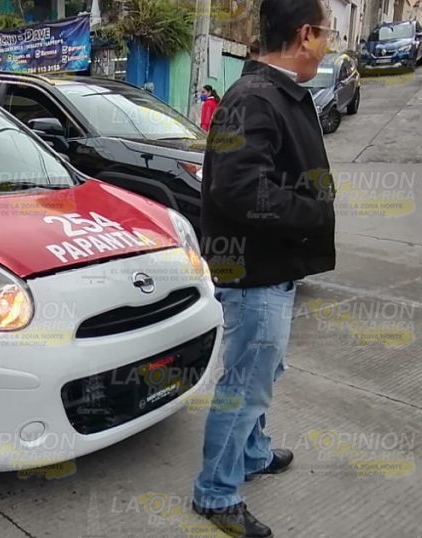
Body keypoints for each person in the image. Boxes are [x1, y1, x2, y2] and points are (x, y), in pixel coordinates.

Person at [193, 1, 336, 537]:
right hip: (254, 273)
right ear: (304, 34)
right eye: (325, 33)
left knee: (262, 374)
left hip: (272, 266)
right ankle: (215, 491)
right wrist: (310, 214)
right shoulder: (254, 97)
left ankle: (251, 453)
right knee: (246, 384)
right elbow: (237, 188)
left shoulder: (276, 93)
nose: (327, 43)